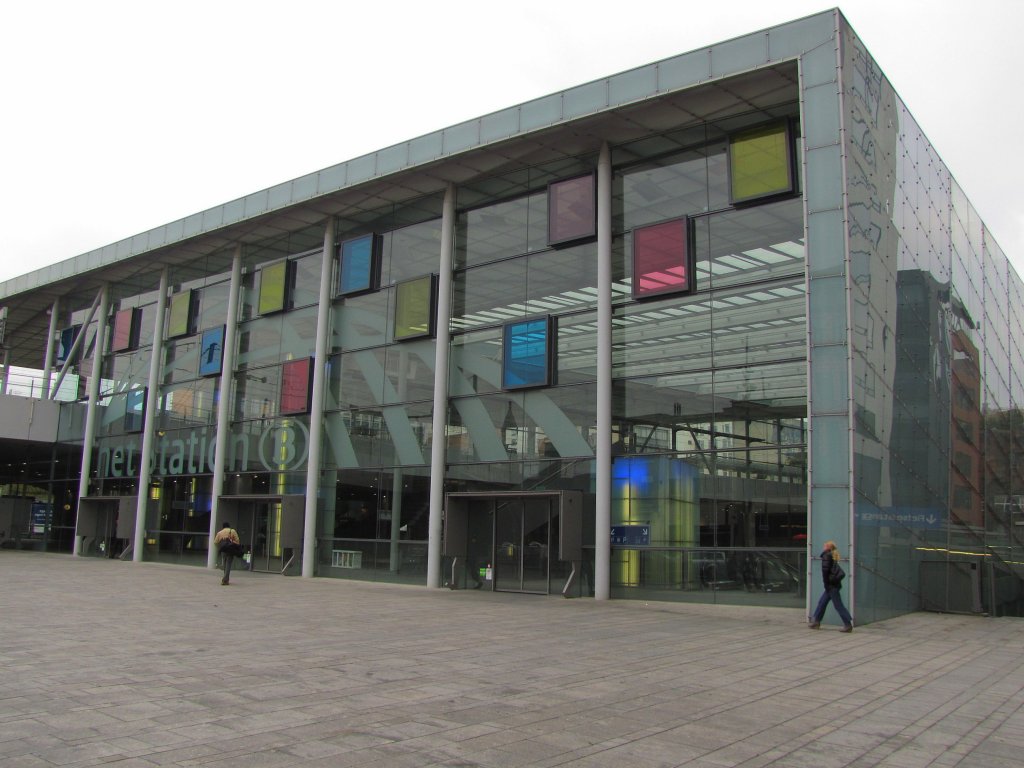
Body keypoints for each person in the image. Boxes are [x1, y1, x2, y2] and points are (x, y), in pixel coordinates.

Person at [809, 540, 853, 632]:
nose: (823, 547)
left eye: (824, 546)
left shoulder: (826, 555)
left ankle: (848, 624)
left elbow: (825, 572)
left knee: (838, 605)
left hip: (831, 586)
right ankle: (816, 621)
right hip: (833, 585)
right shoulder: (832, 555)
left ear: (828, 547)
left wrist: (826, 584)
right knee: (822, 602)